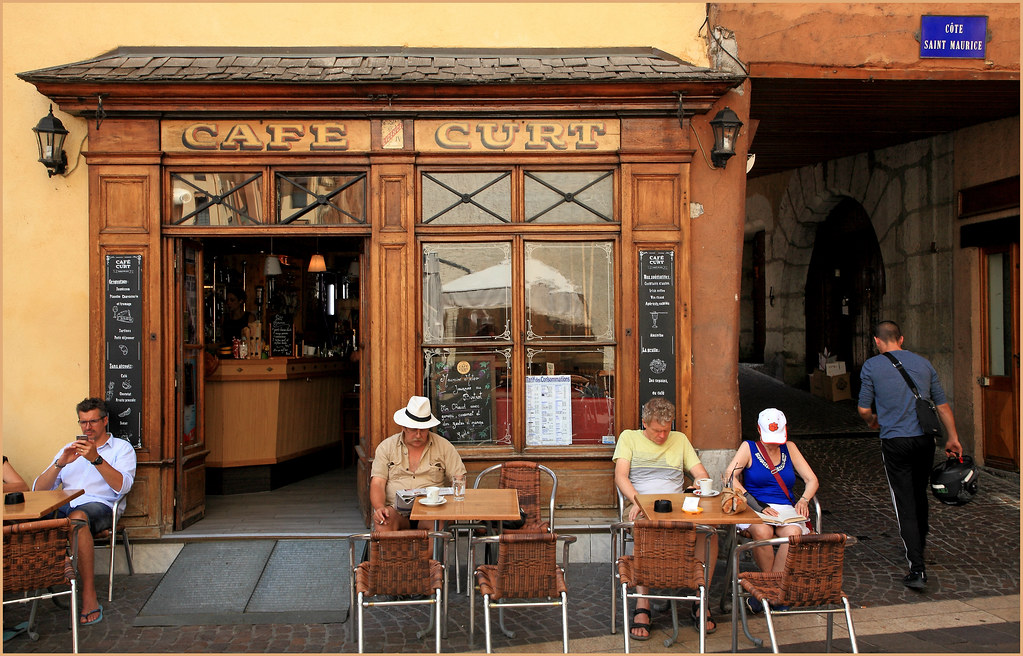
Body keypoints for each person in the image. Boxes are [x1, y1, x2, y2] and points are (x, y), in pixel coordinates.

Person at [857, 320, 963, 591]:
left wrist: (873, 422)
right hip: (924, 440)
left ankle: (917, 567)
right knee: (918, 494)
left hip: (895, 442)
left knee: (903, 500)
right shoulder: (924, 364)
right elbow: (943, 406)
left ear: (877, 341)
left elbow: (863, 409)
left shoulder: (871, 366)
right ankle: (920, 544)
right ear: (901, 339)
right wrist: (953, 438)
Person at [613, 397, 720, 640]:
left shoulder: (679, 439)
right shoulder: (628, 438)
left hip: (677, 505)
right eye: (657, 431)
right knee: (645, 530)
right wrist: (639, 501)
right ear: (644, 424)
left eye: (666, 429)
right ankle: (643, 603)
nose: (663, 436)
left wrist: (699, 485)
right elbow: (621, 476)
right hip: (639, 503)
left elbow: (700, 473)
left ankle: (700, 598)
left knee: (709, 532)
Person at [33, 398, 137, 626]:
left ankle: (88, 595)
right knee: (34, 516)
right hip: (66, 505)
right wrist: (60, 463)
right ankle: (33, 583)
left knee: (77, 519)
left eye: (93, 421)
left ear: (105, 420)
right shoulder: (69, 449)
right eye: (83, 422)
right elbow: (37, 491)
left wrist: (96, 459)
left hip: (100, 506)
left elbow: (123, 486)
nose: (87, 427)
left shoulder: (122, 448)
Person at [724, 408, 819, 581]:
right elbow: (729, 477)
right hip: (755, 506)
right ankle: (773, 587)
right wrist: (756, 503)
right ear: (759, 430)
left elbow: (811, 479)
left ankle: (769, 587)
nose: (773, 444)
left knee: (793, 534)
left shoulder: (789, 448)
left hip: (784, 509)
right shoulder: (749, 447)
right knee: (762, 531)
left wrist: (804, 500)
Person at [369, 396, 466, 531]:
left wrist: (450, 508)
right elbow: (377, 483)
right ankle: (392, 552)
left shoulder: (444, 446)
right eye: (414, 429)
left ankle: (426, 553)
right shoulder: (386, 447)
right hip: (395, 509)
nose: (419, 435)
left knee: (437, 525)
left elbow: (459, 478)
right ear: (404, 427)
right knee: (384, 521)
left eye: (424, 429)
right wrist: (379, 507)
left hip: (432, 510)